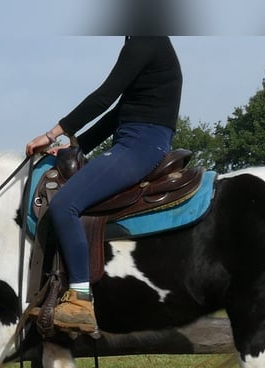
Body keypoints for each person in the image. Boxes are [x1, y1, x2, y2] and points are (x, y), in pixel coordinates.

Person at [25, 36, 183, 334]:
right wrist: (77, 146)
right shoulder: (149, 41)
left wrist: (51, 134)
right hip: (136, 138)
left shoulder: (145, 40)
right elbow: (117, 115)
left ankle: (81, 300)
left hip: (141, 143)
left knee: (64, 205)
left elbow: (103, 97)